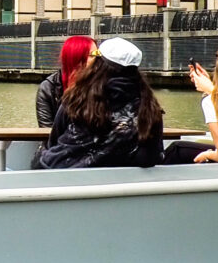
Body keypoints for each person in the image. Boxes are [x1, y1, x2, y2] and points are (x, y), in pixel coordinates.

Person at [36, 37, 165, 169]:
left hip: (62, 175)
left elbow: (54, 141)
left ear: (98, 66)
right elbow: (153, 156)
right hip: (123, 184)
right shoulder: (150, 107)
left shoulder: (77, 98)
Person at [35, 35, 96, 128]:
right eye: (93, 55)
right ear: (77, 58)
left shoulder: (102, 83)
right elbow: (46, 128)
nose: (98, 59)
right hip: (59, 140)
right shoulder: (48, 88)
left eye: (98, 54)